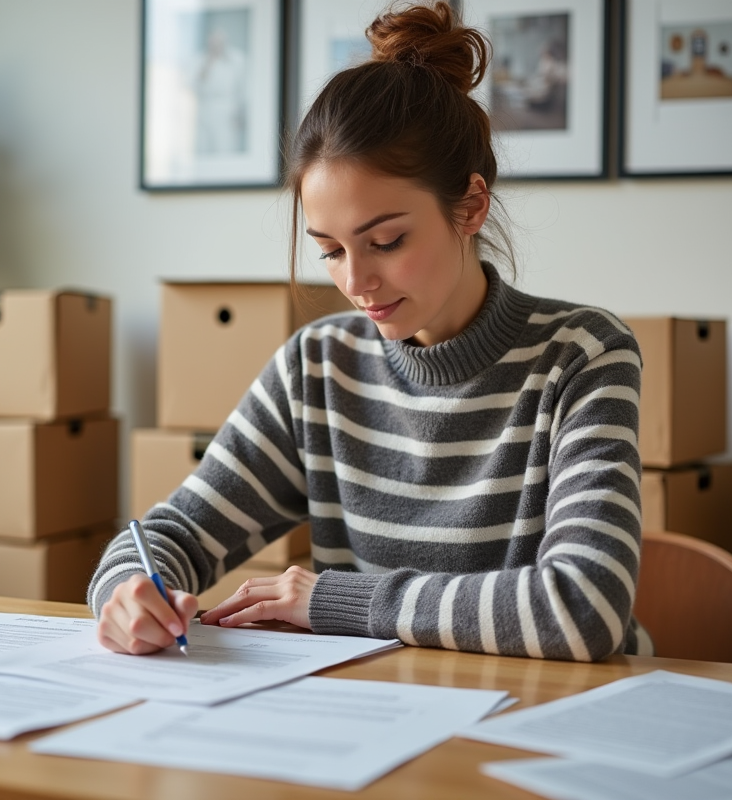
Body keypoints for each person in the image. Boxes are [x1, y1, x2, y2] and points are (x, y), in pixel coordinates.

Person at [90, 1, 651, 662]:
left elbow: (583, 609)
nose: (356, 282)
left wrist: (332, 601)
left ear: (471, 206)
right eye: (330, 250)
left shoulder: (583, 356)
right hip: (381, 709)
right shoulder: (317, 367)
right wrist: (128, 593)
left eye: (386, 241)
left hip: (549, 708)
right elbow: (172, 534)